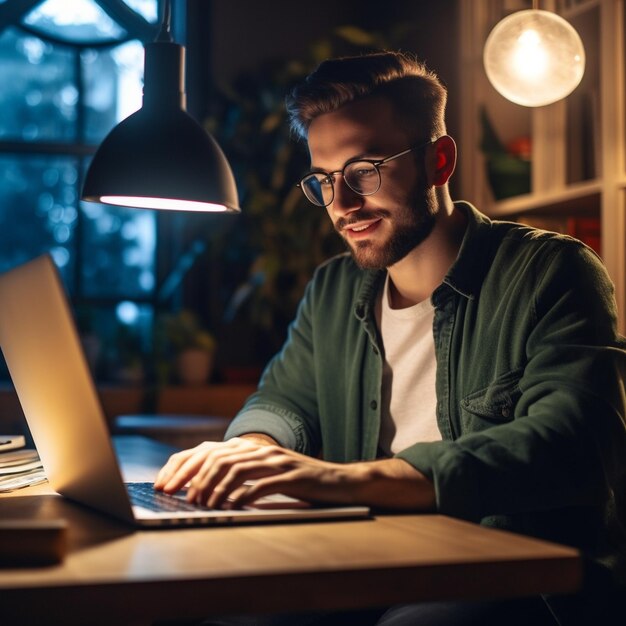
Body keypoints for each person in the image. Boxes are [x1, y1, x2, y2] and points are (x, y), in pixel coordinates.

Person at [154, 51, 626, 625]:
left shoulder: (551, 272)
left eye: (364, 171)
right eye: (324, 181)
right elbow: (284, 400)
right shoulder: (333, 288)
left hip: (520, 583)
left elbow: (571, 444)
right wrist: (249, 453)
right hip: (372, 560)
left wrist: (347, 480)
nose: (343, 205)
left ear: (440, 161)